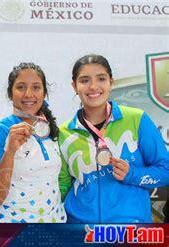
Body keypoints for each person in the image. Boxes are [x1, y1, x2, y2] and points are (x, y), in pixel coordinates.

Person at [59, 54, 169, 223]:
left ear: (111, 82)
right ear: (74, 86)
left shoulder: (136, 119)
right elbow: (62, 186)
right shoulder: (64, 132)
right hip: (81, 230)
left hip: (130, 228)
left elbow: (165, 171)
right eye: (85, 80)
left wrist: (132, 174)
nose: (93, 87)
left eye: (101, 79)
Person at [0, 62, 66, 223]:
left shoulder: (51, 130)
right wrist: (10, 151)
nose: (28, 94)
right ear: (10, 94)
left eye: (36, 87)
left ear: (44, 93)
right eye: (21, 87)